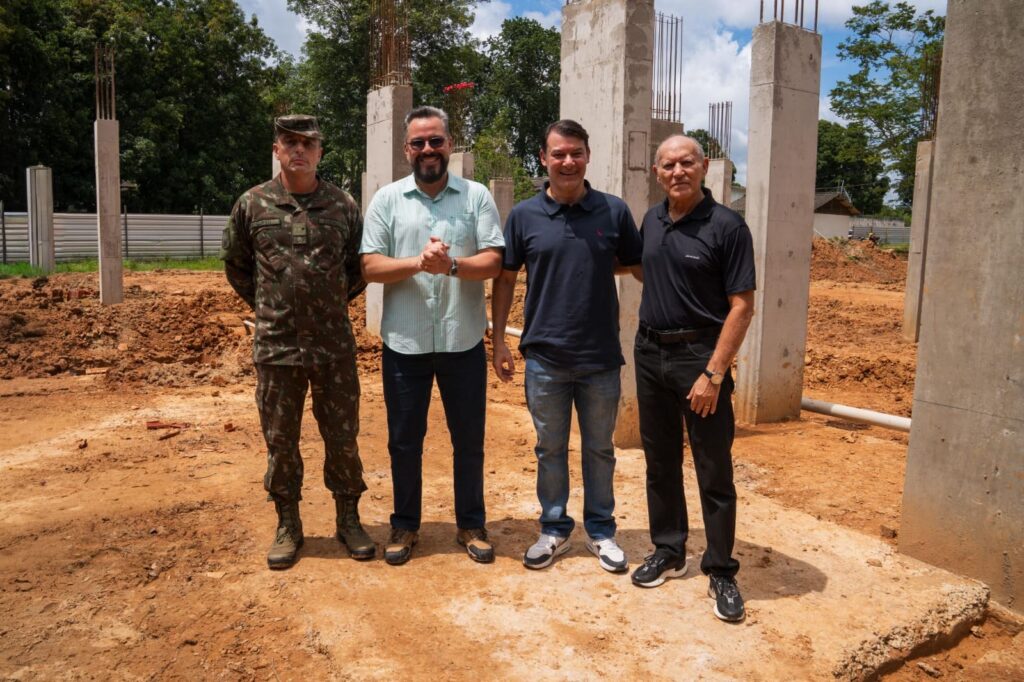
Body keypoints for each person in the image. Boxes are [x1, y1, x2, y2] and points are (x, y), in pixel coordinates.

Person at [221, 114, 374, 570]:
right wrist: (273, 305)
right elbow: (237, 267)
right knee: (281, 441)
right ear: (277, 149)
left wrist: (324, 305)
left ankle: (349, 519)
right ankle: (288, 523)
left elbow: (356, 270)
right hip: (277, 349)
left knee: (342, 438)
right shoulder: (252, 204)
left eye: (308, 143)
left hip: (333, 348)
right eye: (290, 142)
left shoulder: (343, 205)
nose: (299, 151)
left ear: (320, 152)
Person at [492, 120, 643, 573]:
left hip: (599, 357)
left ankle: (601, 531)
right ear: (543, 158)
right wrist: (498, 337)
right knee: (549, 449)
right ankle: (554, 528)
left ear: (588, 155)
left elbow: (640, 267)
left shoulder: (614, 212)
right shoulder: (523, 216)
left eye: (575, 152)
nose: (567, 161)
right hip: (544, 357)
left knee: (600, 449)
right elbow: (505, 278)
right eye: (558, 153)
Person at [360, 106, 504, 566]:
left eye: (436, 141)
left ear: (449, 145)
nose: (428, 150)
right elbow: (369, 266)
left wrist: (454, 266)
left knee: (469, 438)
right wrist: (418, 264)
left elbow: (494, 260)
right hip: (406, 345)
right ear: (407, 150)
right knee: (404, 440)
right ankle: (404, 524)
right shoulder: (387, 200)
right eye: (419, 142)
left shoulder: (476, 196)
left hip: (463, 343)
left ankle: (471, 523)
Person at [629, 134, 755, 623]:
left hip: (699, 358)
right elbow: (650, 272)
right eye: (668, 165)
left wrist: (714, 372)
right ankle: (669, 549)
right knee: (659, 461)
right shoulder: (652, 220)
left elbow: (742, 305)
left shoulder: (727, 226)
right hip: (649, 353)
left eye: (687, 163)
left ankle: (721, 568)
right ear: (656, 172)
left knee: (712, 469)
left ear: (704, 167)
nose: (677, 171)